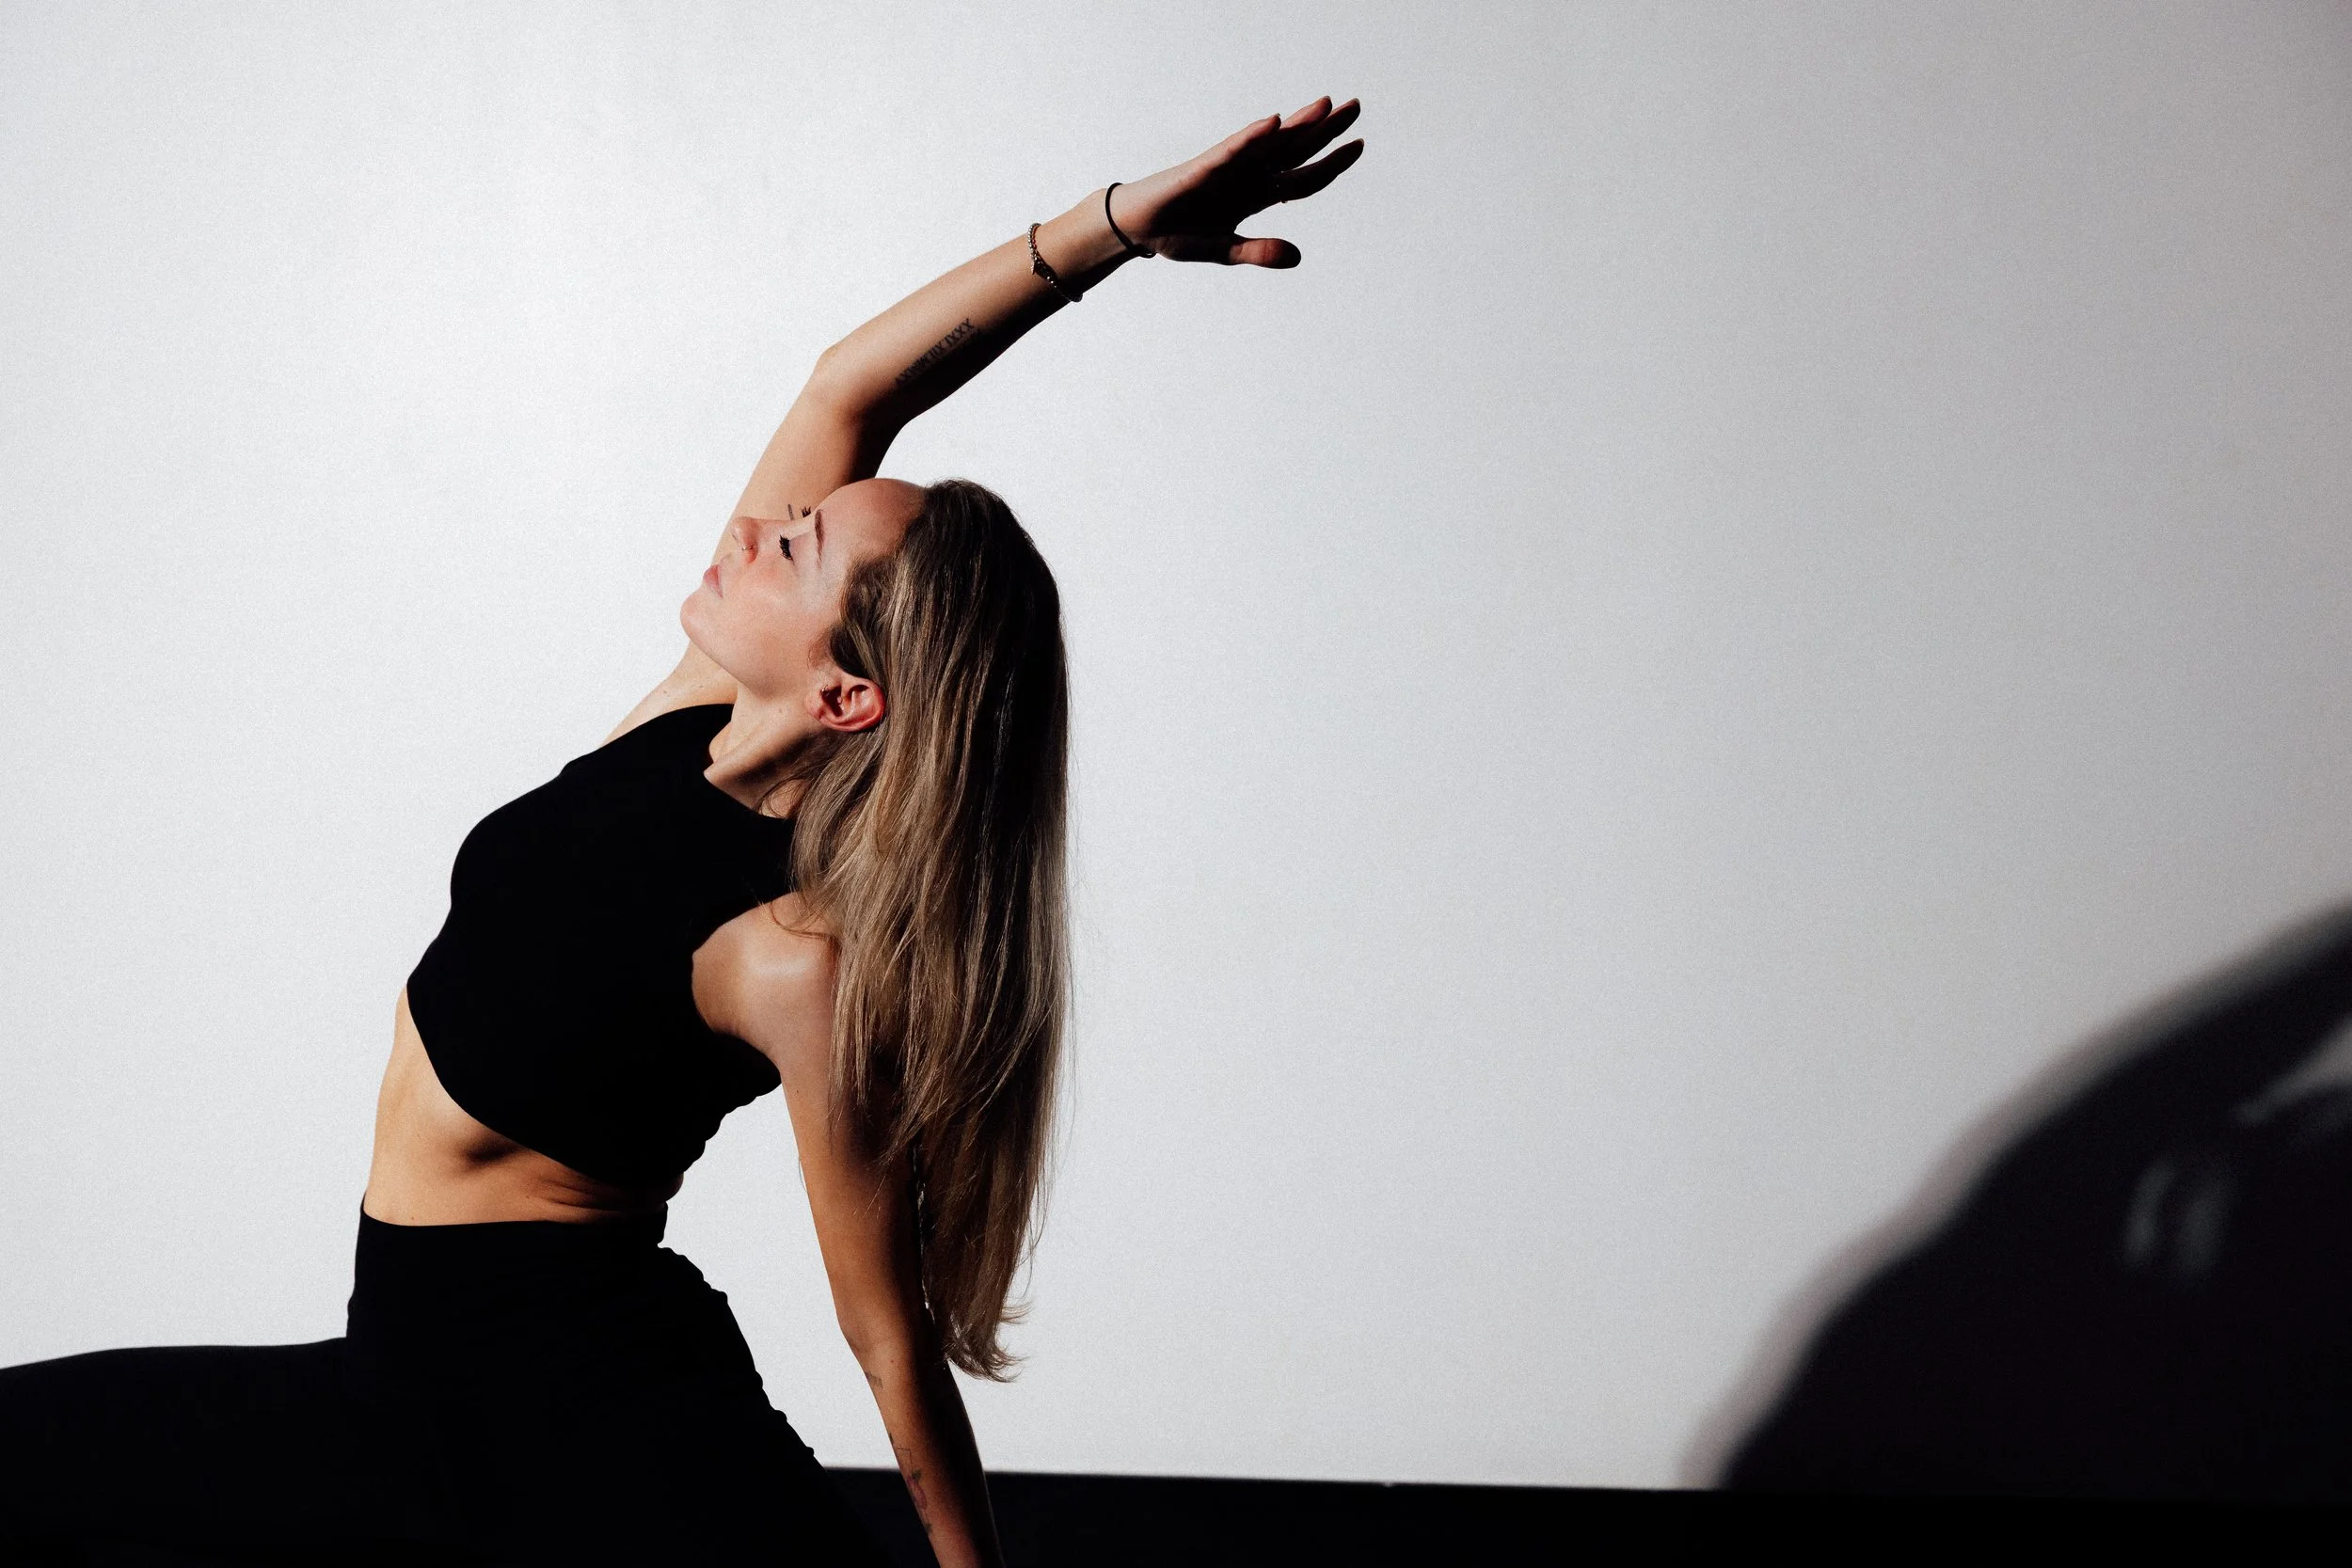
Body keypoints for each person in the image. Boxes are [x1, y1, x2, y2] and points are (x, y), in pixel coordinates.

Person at [0, 97, 1364, 1567]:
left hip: (568, 1407)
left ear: (848, 690)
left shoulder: (796, 954)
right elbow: (852, 379)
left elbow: (883, 1327)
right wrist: (1108, 232)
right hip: (391, 1372)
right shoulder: (699, 717)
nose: (760, 524)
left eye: (804, 543)